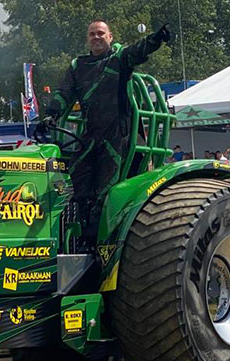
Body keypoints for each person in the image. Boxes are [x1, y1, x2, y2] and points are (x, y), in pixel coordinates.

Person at [43, 20, 171, 250]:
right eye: (92, 34)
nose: (96, 37)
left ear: (110, 37)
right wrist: (51, 114)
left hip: (118, 134)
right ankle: (76, 236)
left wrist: (155, 40)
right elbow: (64, 93)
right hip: (91, 133)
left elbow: (137, 52)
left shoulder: (118, 59)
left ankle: (99, 243)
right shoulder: (77, 66)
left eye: (101, 33)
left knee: (106, 189)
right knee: (76, 183)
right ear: (87, 39)